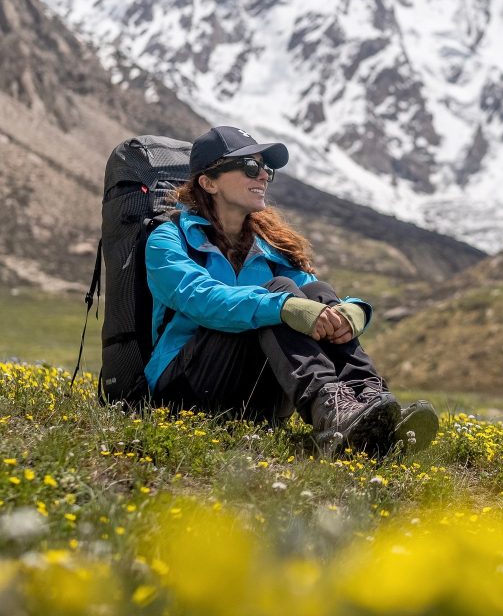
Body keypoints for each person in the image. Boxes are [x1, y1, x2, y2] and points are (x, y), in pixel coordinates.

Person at [143, 125, 438, 458]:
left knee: (314, 289)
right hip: (185, 392)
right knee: (280, 294)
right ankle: (334, 412)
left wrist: (352, 310)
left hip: (255, 396)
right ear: (209, 182)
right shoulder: (168, 240)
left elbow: (314, 296)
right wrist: (282, 306)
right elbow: (200, 298)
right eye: (250, 168)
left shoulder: (269, 249)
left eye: (266, 169)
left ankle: (370, 403)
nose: (263, 177)